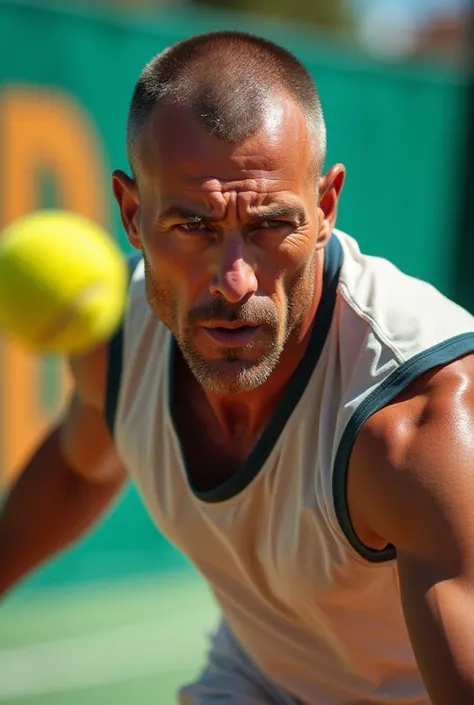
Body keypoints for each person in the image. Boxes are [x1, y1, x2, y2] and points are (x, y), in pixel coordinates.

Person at [1, 30, 474, 705]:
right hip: (261, 677)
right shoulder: (124, 339)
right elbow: (81, 465)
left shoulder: (419, 427)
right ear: (133, 214)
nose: (234, 280)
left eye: (269, 225)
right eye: (192, 226)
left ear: (326, 208)